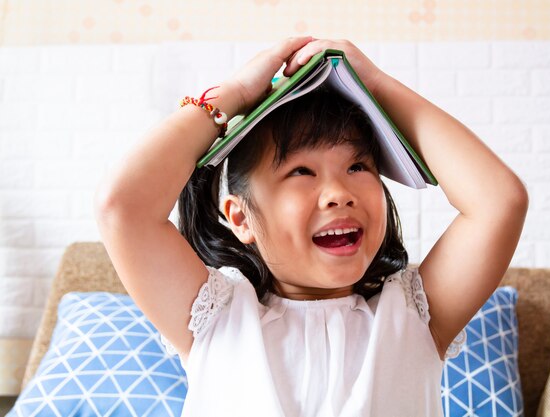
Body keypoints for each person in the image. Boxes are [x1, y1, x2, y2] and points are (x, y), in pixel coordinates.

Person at [94, 36, 528, 417]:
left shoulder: (412, 317)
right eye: (302, 172)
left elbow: (499, 202)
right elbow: (124, 207)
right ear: (240, 217)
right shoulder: (217, 319)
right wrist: (235, 95)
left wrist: (375, 85)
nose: (339, 193)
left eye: (358, 165)